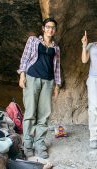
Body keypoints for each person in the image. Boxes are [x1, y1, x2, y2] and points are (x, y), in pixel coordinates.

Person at [17, 18, 61, 159]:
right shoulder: (33, 41)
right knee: (30, 112)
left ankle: (40, 143)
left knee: (44, 114)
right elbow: (24, 58)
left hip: (48, 82)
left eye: (53, 27)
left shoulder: (56, 48)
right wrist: (22, 76)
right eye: (48, 27)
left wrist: (57, 85)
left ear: (55, 30)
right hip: (32, 78)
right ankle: (28, 143)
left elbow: (57, 68)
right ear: (43, 28)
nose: (50, 29)